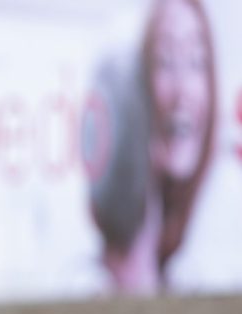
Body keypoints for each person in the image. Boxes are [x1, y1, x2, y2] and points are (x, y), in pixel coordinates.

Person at [87, 0, 216, 293]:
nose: (183, 91)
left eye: (197, 61)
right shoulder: (93, 279)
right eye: (165, 61)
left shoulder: (193, 266)